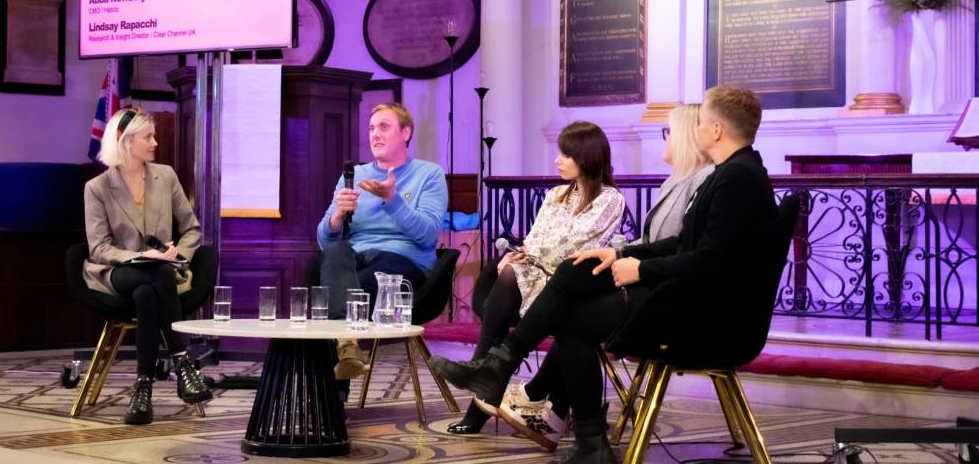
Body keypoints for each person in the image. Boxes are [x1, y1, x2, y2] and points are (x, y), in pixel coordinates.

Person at [431, 86, 777, 463]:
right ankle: (510, 374)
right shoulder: (733, 173)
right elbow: (683, 244)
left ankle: (574, 428)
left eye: (698, 125)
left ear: (714, 130)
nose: (692, 132)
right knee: (577, 268)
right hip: (687, 298)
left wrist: (640, 267)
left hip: (706, 318)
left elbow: (710, 260)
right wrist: (619, 252)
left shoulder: (737, 178)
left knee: (572, 318)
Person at [494, 105, 714, 450]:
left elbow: (682, 248)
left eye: (668, 131)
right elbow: (658, 241)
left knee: (570, 296)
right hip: (647, 279)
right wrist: (621, 253)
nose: (665, 138)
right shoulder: (678, 180)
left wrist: (629, 259)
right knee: (569, 283)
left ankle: (530, 388)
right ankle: (560, 417)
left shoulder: (701, 182)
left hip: (662, 294)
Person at [447, 121, 626, 441]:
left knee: (511, 277)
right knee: (506, 272)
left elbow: (574, 245)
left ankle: (485, 388)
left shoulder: (609, 198)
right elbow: (536, 238)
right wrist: (518, 253)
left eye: (566, 154)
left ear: (586, 157)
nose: (557, 160)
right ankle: (485, 382)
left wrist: (528, 253)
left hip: (570, 283)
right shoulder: (555, 194)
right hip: (536, 274)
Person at [83, 108, 212, 426]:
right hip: (117, 271)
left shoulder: (165, 176)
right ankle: (182, 363)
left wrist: (176, 254)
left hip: (162, 274)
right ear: (126, 141)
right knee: (149, 275)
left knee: (147, 294)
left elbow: (192, 229)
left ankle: (142, 388)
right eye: (148, 137)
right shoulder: (97, 188)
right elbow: (99, 248)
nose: (155, 142)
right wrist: (142, 259)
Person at [317, 103, 447, 379]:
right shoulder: (353, 177)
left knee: (336, 295)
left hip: (403, 262)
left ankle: (335, 398)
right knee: (334, 250)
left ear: (406, 133)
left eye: (384, 127)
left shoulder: (429, 174)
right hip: (356, 257)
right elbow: (323, 239)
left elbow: (427, 234)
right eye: (372, 128)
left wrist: (392, 199)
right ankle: (348, 345)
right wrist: (337, 216)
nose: (375, 134)